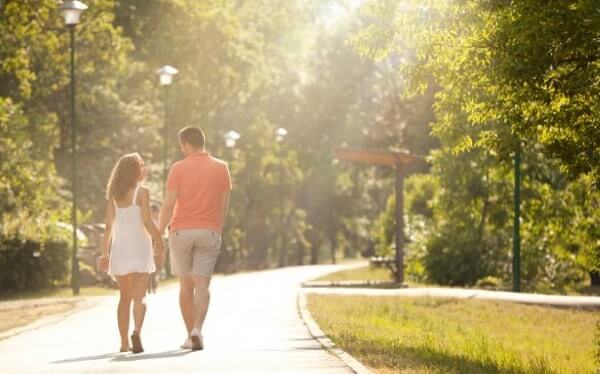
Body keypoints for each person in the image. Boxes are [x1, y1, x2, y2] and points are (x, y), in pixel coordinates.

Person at [159, 126, 231, 351]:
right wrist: (217, 229)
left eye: (182, 146)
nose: (182, 150)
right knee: (202, 283)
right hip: (209, 231)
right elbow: (224, 207)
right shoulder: (221, 168)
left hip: (181, 231)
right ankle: (198, 329)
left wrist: (159, 232)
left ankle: (189, 336)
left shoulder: (178, 168)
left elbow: (169, 204)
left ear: (188, 145)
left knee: (185, 285)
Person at [98, 153, 165, 354]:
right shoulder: (142, 192)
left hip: (120, 249)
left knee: (124, 298)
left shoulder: (113, 195)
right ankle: (136, 331)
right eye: (142, 166)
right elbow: (146, 221)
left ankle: (124, 343)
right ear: (136, 171)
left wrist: (104, 254)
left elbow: (109, 227)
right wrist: (159, 240)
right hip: (140, 248)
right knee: (139, 297)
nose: (144, 169)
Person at [147, 203, 161, 294]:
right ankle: (149, 284)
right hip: (150, 242)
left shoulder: (159, 221)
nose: (155, 214)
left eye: (156, 212)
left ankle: (153, 282)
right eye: (153, 212)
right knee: (151, 263)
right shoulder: (149, 220)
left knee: (158, 265)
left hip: (157, 242)